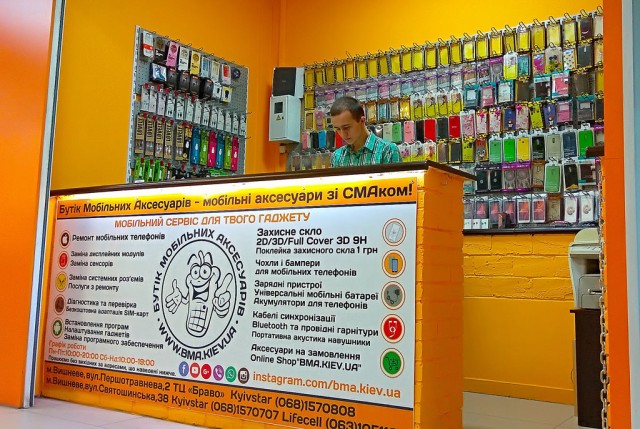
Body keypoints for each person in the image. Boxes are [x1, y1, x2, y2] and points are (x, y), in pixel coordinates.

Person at [329, 97, 401, 167]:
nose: (343, 134)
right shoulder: (336, 157)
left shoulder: (388, 151)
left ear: (362, 121)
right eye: (338, 129)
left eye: (346, 127)